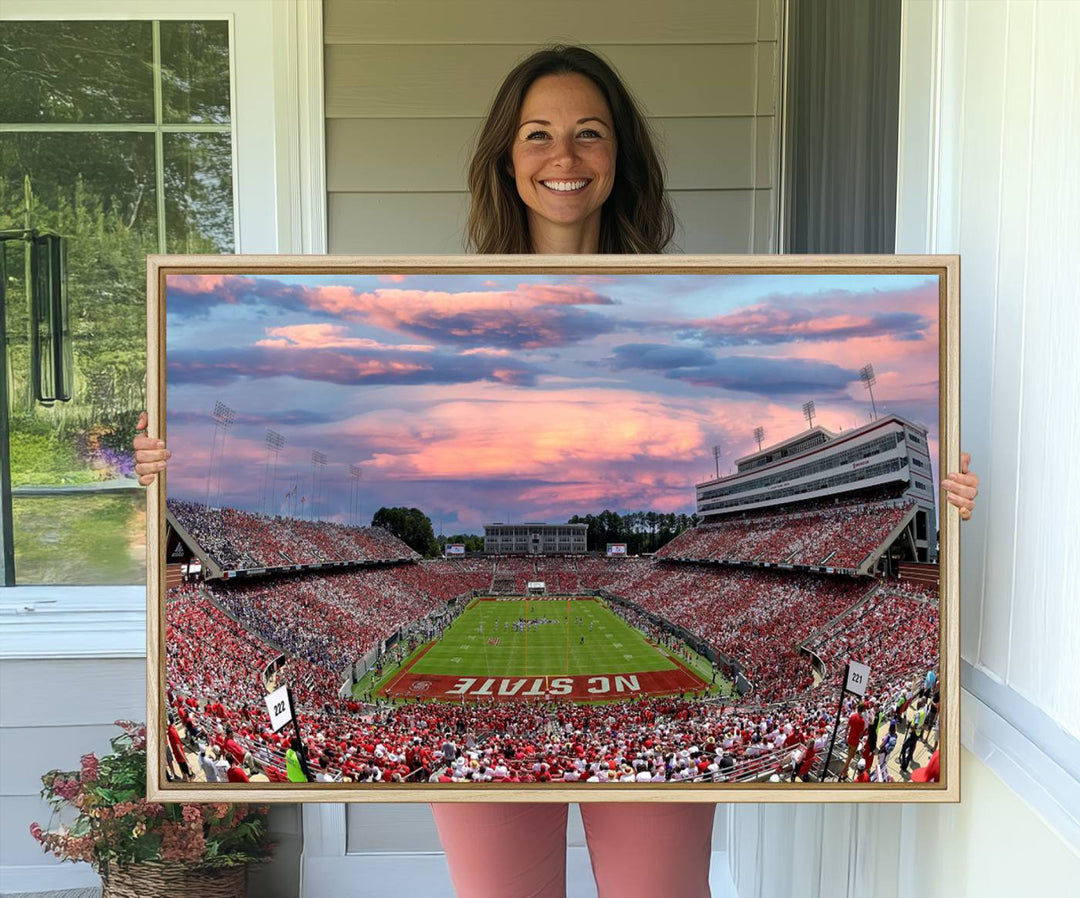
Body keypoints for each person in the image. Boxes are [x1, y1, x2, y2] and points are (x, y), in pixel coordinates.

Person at [135, 43, 981, 898]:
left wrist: (933, 493)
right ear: (507, 158)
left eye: (589, 133)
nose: (563, 157)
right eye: (538, 134)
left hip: (641, 740)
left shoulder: (691, 302)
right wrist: (161, 461)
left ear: (620, 158)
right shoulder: (440, 307)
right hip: (478, 731)